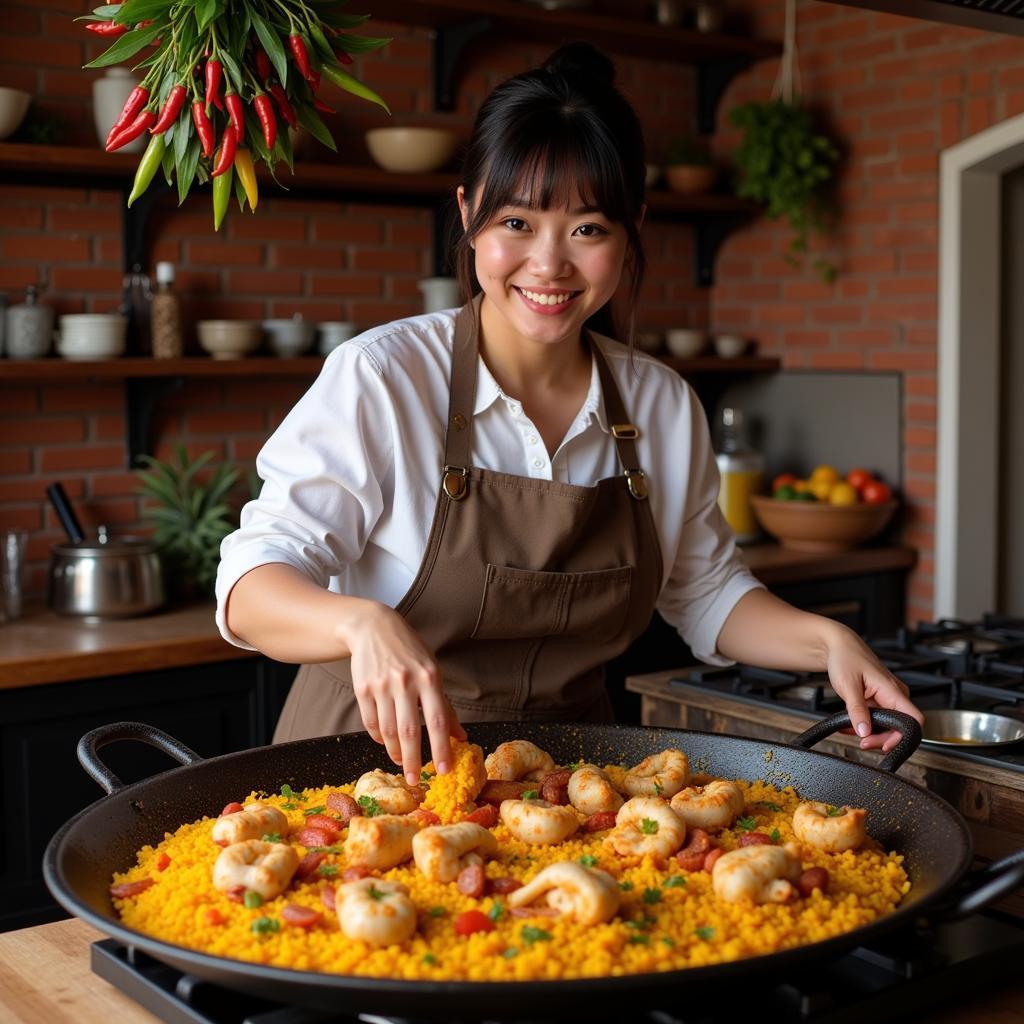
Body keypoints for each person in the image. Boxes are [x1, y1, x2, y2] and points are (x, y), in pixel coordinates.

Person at [216, 43, 922, 786]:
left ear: (629, 232)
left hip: (572, 785)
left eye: (588, 229)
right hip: (365, 775)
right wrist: (360, 623)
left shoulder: (660, 404)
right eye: (516, 222)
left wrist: (827, 640)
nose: (549, 264)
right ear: (468, 216)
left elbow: (707, 591)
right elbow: (251, 587)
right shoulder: (385, 377)